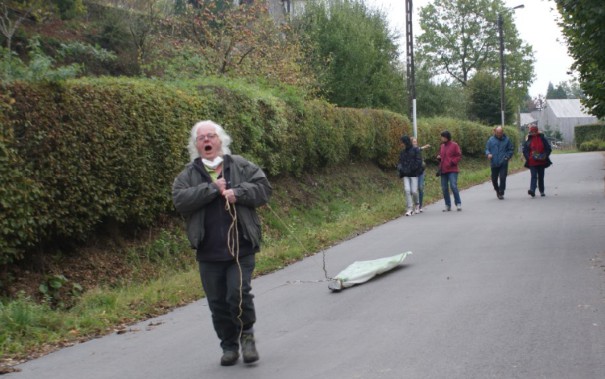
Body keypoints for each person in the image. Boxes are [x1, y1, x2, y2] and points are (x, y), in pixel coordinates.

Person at [172, 120, 272, 366]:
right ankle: (228, 346)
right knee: (217, 303)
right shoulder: (188, 174)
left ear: (221, 140)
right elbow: (180, 200)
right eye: (201, 137)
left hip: (242, 248)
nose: (207, 140)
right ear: (196, 145)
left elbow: (264, 188)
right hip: (208, 252)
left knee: (237, 294)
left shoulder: (240, 165)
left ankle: (247, 337)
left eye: (211, 136)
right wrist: (212, 189)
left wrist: (238, 193)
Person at [522, 124, 552, 197]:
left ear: (537, 131)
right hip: (532, 161)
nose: (533, 132)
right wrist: (528, 157)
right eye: (532, 131)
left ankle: (542, 191)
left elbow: (548, 148)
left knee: (541, 177)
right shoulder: (529, 139)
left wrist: (545, 155)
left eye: (534, 131)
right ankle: (532, 190)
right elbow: (525, 150)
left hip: (542, 161)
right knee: (534, 176)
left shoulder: (542, 138)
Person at [485, 126, 514, 200]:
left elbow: (510, 149)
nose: (499, 134)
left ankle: (501, 192)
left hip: (503, 162)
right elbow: (487, 149)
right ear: (495, 132)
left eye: (500, 133)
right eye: (497, 133)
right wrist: (488, 154)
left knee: (502, 177)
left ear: (502, 132)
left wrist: (507, 157)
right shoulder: (491, 140)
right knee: (494, 179)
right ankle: (497, 190)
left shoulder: (507, 140)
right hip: (494, 162)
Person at [397, 135, 423, 216]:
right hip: (405, 174)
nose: (401, 144)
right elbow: (400, 162)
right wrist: (400, 168)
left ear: (406, 142)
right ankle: (409, 208)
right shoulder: (402, 152)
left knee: (414, 191)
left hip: (414, 174)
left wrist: (412, 169)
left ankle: (417, 205)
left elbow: (418, 161)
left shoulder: (416, 150)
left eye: (402, 142)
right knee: (407, 190)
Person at [437, 130, 462, 211]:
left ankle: (458, 203)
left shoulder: (454, 145)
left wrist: (452, 162)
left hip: (452, 169)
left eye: (443, 137)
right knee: (444, 188)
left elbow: (459, 156)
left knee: (453, 186)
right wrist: (439, 158)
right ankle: (447, 205)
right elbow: (441, 156)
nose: (441, 138)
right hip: (443, 170)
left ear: (447, 137)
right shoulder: (442, 146)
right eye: (441, 137)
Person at [412, 137, 430, 212]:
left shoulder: (418, 150)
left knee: (420, 187)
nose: (415, 143)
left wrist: (425, 147)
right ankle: (415, 204)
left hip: (420, 172)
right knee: (413, 190)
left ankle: (420, 206)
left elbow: (419, 149)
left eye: (416, 142)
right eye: (413, 142)